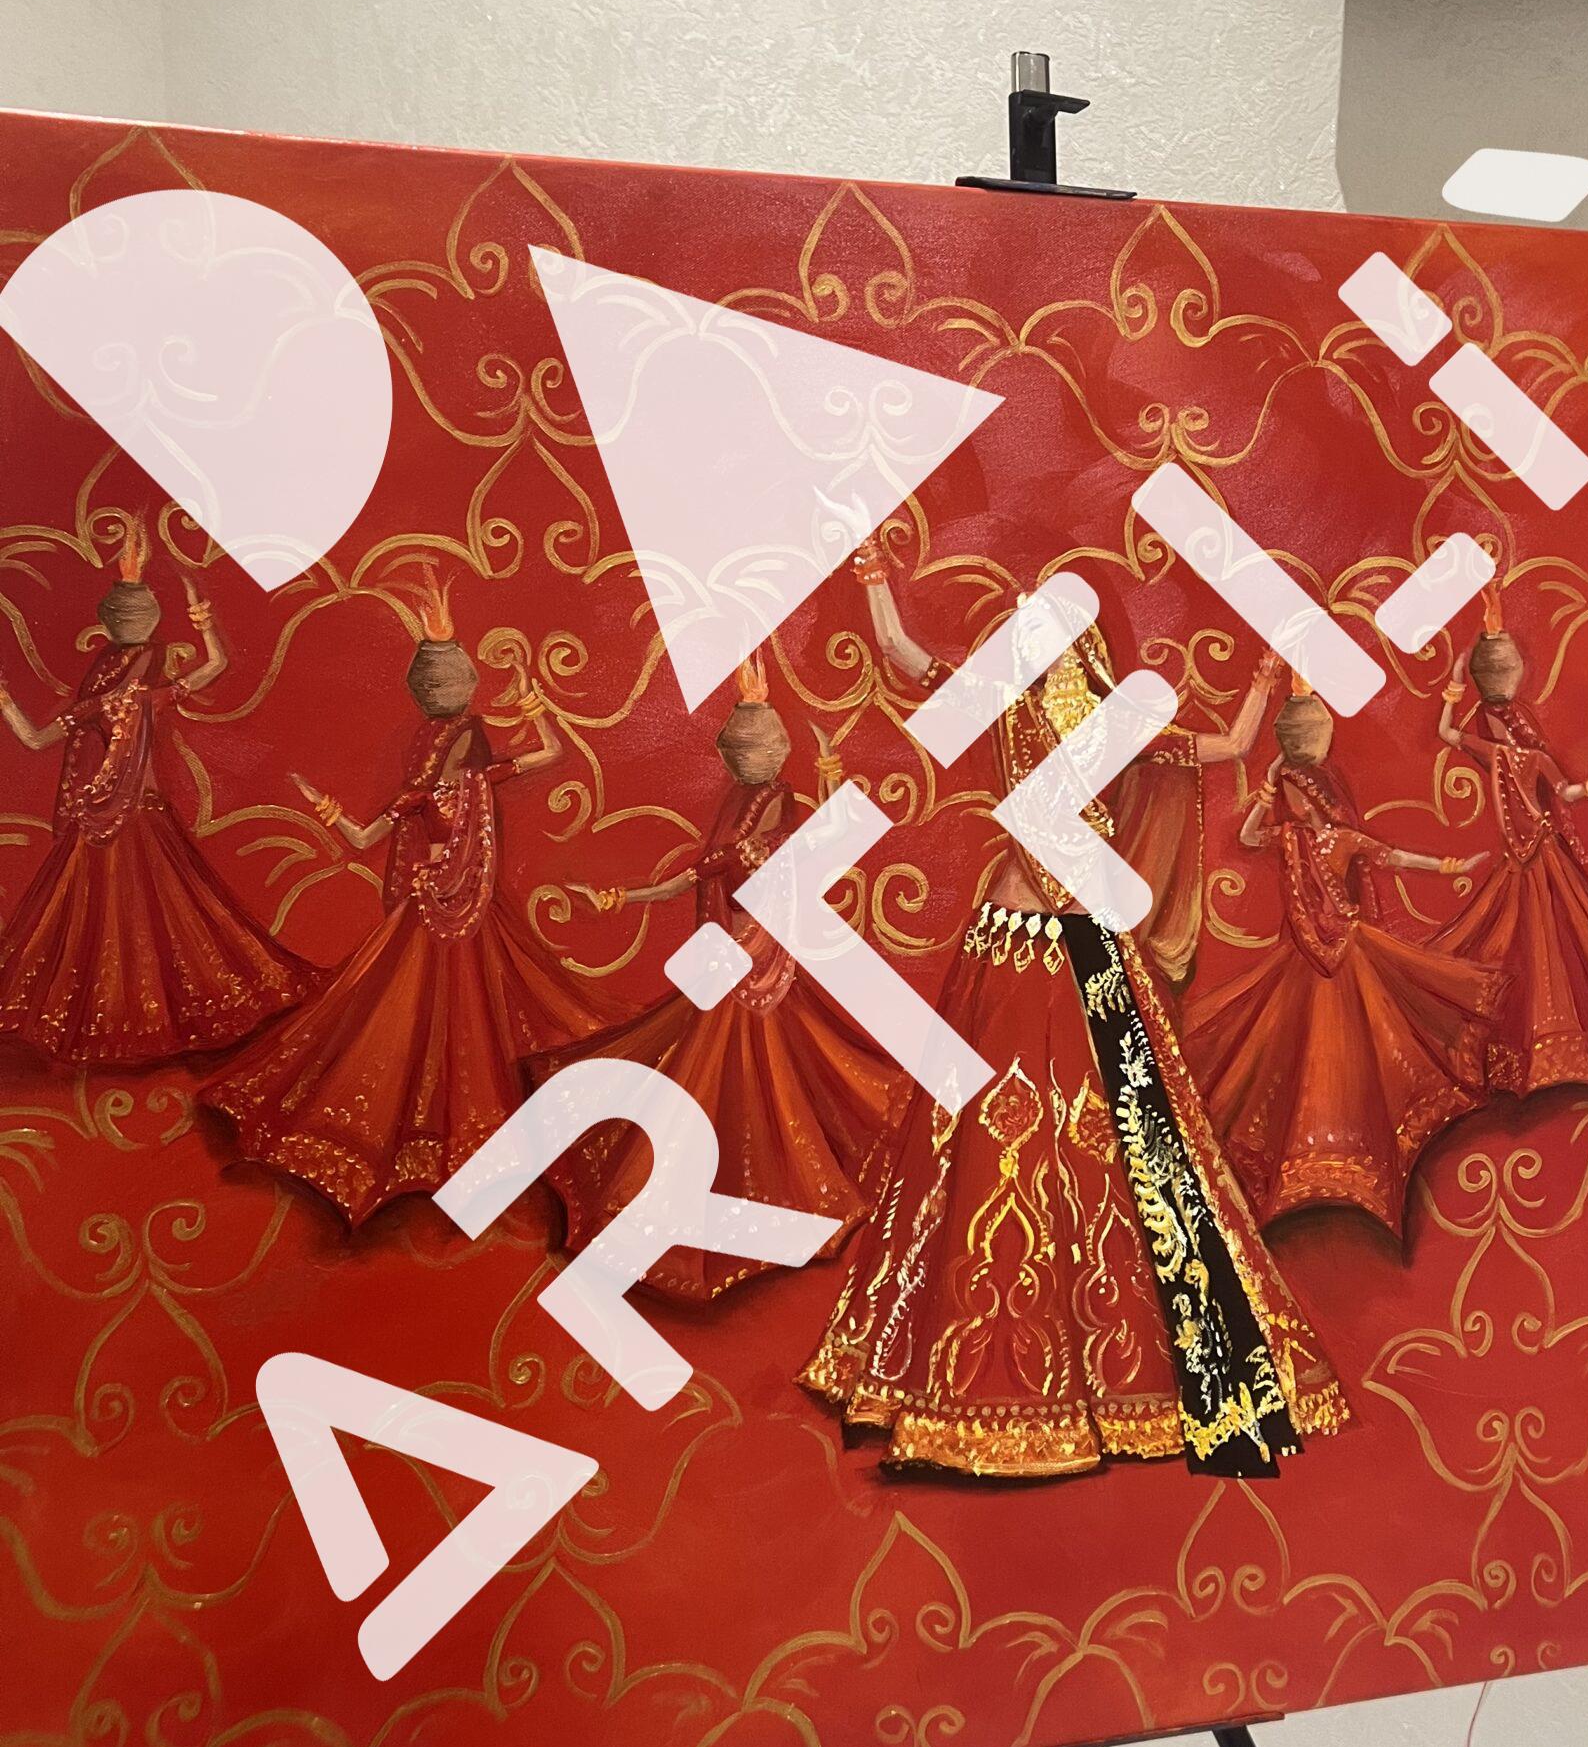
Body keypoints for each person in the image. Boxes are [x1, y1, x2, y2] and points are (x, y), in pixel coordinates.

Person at [800, 540, 1350, 1482]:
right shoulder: (1017, 702)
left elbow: (1224, 748)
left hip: (1082, 940)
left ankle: (1117, 1368)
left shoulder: (1103, 717)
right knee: (987, 1134)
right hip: (1021, 938)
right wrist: (877, 582)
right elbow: (902, 655)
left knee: (1123, 1140)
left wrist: (1264, 680)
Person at [203, 574, 596, 1223]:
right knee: (415, 1022)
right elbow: (366, 835)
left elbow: (548, 752)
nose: (458, 752)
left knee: (458, 1019)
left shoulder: (456, 778)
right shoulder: (434, 788)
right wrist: (327, 808)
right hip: (438, 913)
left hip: (463, 912)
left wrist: (532, 700)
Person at [532, 658, 908, 1298]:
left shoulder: (767, 812)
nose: (748, 767)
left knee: (748, 1069)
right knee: (739, 1070)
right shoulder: (748, 812)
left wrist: (827, 775)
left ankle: (740, 1194)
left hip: (755, 958)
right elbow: (711, 872)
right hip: (742, 956)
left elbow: (743, 863)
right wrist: (623, 898)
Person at [1186, 671, 1498, 1241]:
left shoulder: (1338, 840)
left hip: (1347, 956)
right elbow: (1248, 838)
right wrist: (1269, 784)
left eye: (1298, 793)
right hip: (1306, 962)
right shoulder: (1290, 839)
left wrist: (1448, 866)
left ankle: (1365, 1153)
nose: (1293, 802)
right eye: (1290, 793)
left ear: (1316, 796)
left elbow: (1395, 857)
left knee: (1362, 1052)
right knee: (1302, 1060)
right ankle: (1310, 1163)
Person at [0, 526, 307, 1065]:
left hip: (102, 823)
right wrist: (203, 620)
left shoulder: (99, 703)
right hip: (138, 820)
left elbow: (33, 738)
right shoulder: (148, 695)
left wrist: (5, 702)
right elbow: (216, 665)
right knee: (162, 923)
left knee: (106, 927)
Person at [1434, 587, 1588, 1096]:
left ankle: (1553, 1044)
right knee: (1545, 945)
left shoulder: (1507, 748)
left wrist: (1455, 686)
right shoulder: (1517, 752)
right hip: (1537, 855)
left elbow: (1448, 733)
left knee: (1550, 945)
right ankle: (1549, 1045)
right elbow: (1561, 788)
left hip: (1533, 854)